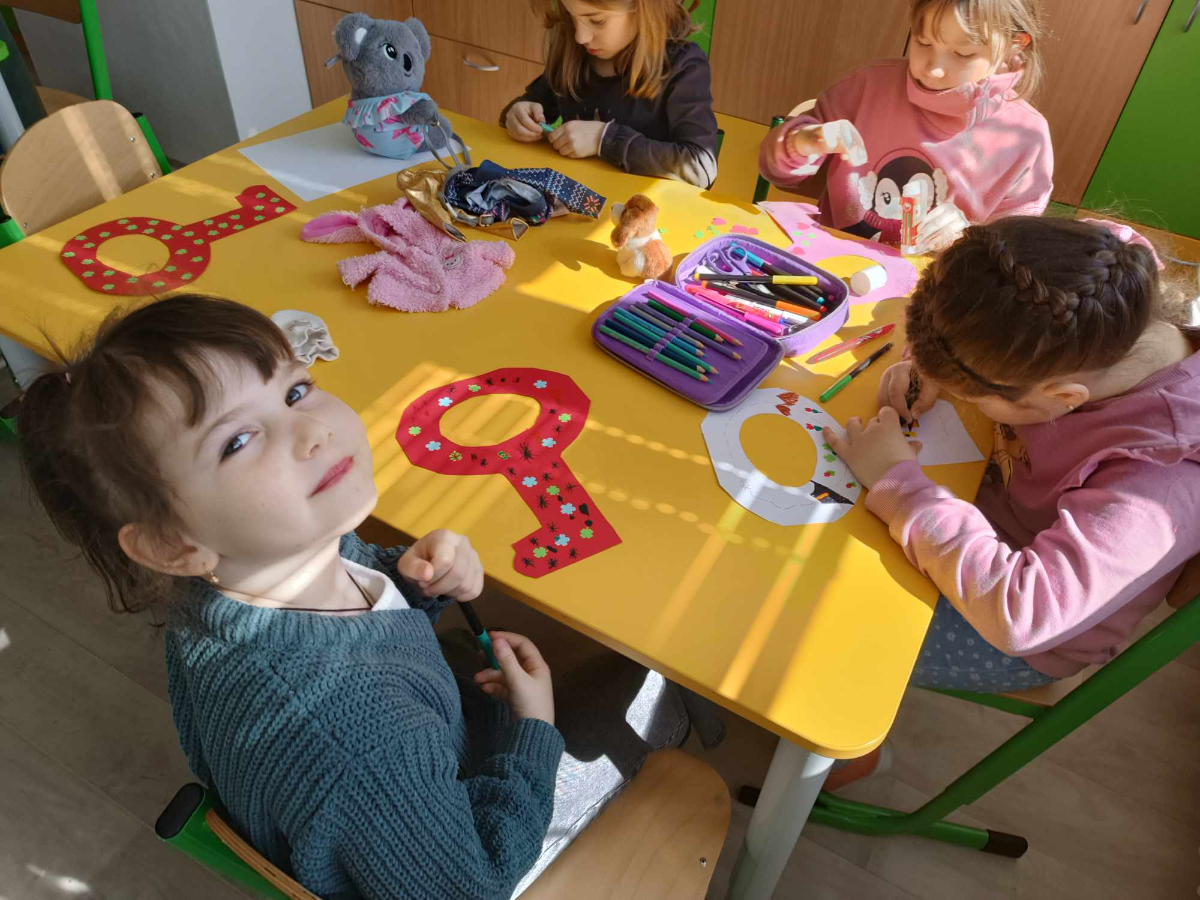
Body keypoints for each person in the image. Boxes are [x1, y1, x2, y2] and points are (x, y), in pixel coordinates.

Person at [16, 294, 688, 899]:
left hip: (391, 800)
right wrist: (532, 731)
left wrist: (411, 579)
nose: (312, 430)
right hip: (463, 847)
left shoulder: (237, 578)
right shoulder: (362, 749)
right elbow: (472, 885)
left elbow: (351, 576)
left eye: (295, 390)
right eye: (238, 441)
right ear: (169, 546)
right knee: (655, 695)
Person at [759, 0, 1053, 252]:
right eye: (923, 42)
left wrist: (968, 236)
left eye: (963, 54)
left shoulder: (1026, 138)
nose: (933, 68)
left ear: (1014, 47)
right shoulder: (868, 88)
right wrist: (802, 142)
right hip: (829, 264)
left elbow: (1014, 251)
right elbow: (777, 172)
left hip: (936, 290)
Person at [501, 0, 719, 189]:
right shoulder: (572, 50)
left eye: (597, 21)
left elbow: (700, 167)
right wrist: (518, 115)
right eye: (572, 16)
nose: (580, 36)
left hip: (640, 213)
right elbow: (535, 104)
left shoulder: (682, 66)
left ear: (643, 9)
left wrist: (604, 139)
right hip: (570, 203)